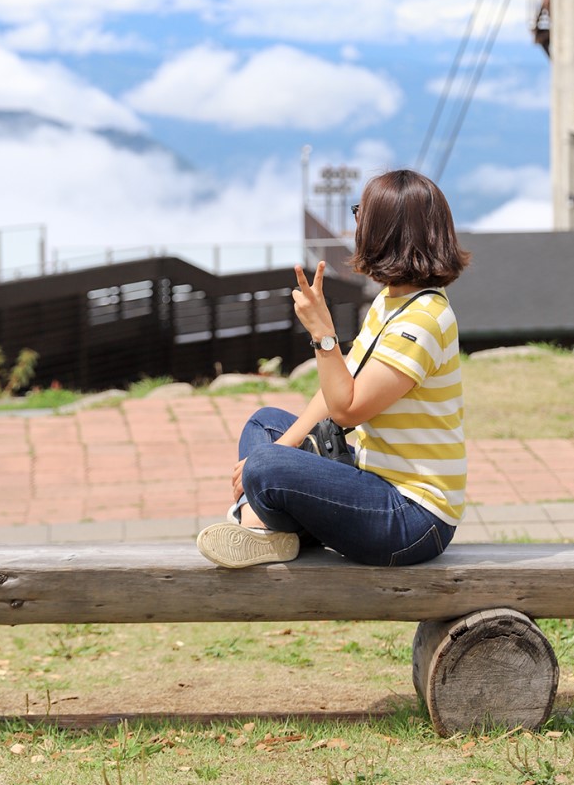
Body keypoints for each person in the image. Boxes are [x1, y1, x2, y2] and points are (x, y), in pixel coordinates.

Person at [196, 169, 470, 569]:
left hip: (413, 519)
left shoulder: (423, 321)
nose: (356, 223)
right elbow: (334, 390)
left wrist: (323, 334)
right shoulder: (392, 300)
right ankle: (265, 527)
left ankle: (259, 522)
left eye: (361, 213)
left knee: (265, 467)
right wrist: (281, 446)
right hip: (375, 479)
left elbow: (347, 409)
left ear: (386, 230)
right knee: (266, 426)